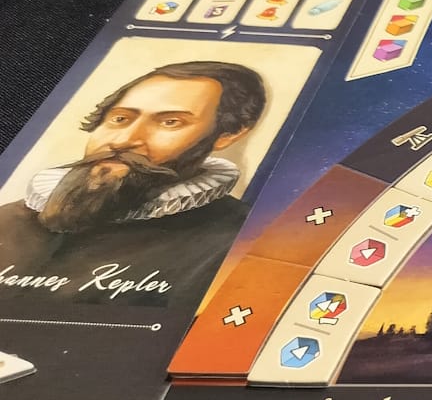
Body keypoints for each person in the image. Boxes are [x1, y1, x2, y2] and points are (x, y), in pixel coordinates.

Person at [0, 61, 266, 307]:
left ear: (227, 135)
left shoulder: (239, 240)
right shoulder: (7, 218)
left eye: (170, 122)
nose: (124, 140)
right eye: (120, 119)